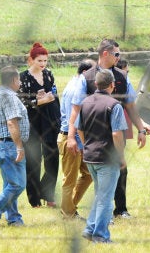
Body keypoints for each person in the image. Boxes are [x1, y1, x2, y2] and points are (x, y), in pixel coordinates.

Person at [66, 39, 150, 220]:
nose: (119, 58)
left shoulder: (122, 77)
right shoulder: (86, 77)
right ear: (105, 53)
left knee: (121, 170)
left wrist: (141, 129)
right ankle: (101, 215)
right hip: (93, 133)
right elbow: (76, 110)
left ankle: (120, 209)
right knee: (100, 174)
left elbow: (130, 106)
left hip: (116, 132)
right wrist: (71, 137)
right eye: (116, 54)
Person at [77, 69, 128, 243]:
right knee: (106, 198)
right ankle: (100, 235)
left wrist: (86, 145)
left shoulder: (85, 102)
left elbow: (79, 129)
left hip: (90, 156)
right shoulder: (114, 105)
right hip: (107, 158)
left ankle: (90, 228)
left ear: (96, 84)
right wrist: (120, 156)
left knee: (100, 195)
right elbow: (116, 134)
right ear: (112, 85)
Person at [0, 66, 29, 227]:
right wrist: (19, 147)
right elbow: (11, 122)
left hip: (0, 143)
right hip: (8, 144)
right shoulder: (9, 97)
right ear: (14, 80)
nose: (20, 82)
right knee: (18, 184)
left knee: (10, 184)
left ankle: (14, 218)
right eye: (19, 79)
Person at [18, 42, 60, 208]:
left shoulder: (48, 75)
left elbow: (54, 95)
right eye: (39, 61)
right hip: (32, 122)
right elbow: (21, 101)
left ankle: (48, 193)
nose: (42, 64)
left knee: (53, 159)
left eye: (45, 61)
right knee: (34, 161)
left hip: (50, 121)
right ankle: (34, 198)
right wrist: (38, 101)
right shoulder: (24, 78)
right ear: (31, 60)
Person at [58, 59, 95, 220]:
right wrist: (73, 139)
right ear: (86, 73)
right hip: (70, 137)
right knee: (70, 179)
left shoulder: (79, 86)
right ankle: (68, 213)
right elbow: (72, 119)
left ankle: (69, 207)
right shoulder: (75, 90)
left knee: (89, 174)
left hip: (79, 137)